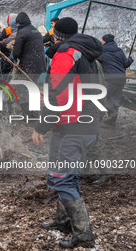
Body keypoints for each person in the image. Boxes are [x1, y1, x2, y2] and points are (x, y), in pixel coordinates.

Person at [32, 17, 103, 248]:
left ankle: (83, 235)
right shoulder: (86, 53)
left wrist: (41, 125)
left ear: (55, 33)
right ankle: (63, 220)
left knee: (61, 179)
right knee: (66, 174)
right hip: (79, 124)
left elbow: (60, 96)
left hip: (74, 126)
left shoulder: (66, 54)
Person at [97, 34, 133, 126]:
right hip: (121, 78)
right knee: (115, 99)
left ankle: (111, 111)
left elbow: (96, 61)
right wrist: (130, 59)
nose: (101, 41)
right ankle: (112, 123)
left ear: (104, 41)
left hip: (110, 78)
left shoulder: (102, 51)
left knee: (100, 96)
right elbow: (125, 63)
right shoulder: (119, 50)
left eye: (102, 39)